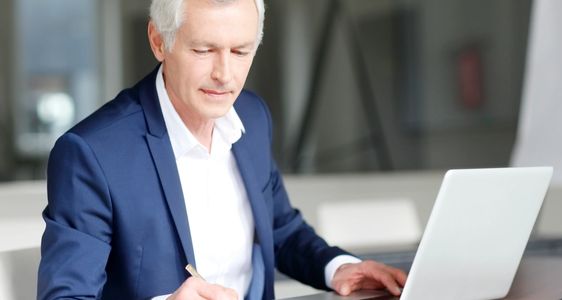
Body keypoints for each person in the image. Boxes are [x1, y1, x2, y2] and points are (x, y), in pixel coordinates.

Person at [37, 0, 407, 299]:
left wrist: (338, 267)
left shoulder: (252, 116)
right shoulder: (91, 154)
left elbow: (280, 230)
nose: (225, 74)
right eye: (204, 49)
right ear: (158, 41)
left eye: (241, 51)